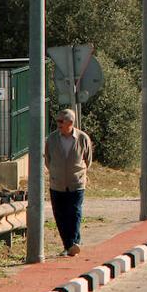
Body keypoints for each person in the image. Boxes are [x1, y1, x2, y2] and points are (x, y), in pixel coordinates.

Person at [44, 108, 93, 256]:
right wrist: (55, 173)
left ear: (70, 122)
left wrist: (79, 174)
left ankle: (74, 243)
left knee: (75, 212)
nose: (58, 124)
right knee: (60, 215)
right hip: (57, 183)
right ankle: (69, 245)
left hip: (76, 183)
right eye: (57, 120)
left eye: (61, 121)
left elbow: (88, 160)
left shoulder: (83, 138)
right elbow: (48, 160)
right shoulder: (52, 139)